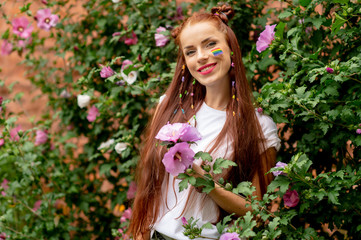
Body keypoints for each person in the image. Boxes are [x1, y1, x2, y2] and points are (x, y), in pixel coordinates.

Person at [129, 4, 281, 240]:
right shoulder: (169, 108)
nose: (201, 56)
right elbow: (151, 189)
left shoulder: (259, 127)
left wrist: (205, 182)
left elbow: (257, 211)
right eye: (190, 52)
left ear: (230, 48)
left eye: (211, 44)